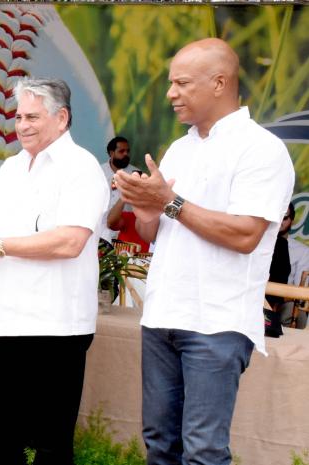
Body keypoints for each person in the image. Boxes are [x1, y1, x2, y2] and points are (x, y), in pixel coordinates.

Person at [113, 38, 294, 465]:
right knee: (159, 443)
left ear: (219, 83)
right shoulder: (180, 147)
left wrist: (168, 203)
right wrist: (144, 208)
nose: (170, 93)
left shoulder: (261, 149)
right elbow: (154, 229)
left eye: (181, 83)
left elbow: (246, 234)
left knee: (203, 450)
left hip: (216, 321)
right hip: (162, 315)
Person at [0, 77, 108, 465]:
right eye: (18, 116)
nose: (22, 125)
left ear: (62, 117)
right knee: (4, 434)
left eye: (33, 116)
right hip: (8, 318)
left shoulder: (82, 167)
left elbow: (69, 242)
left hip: (58, 324)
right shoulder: (11, 167)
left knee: (51, 442)